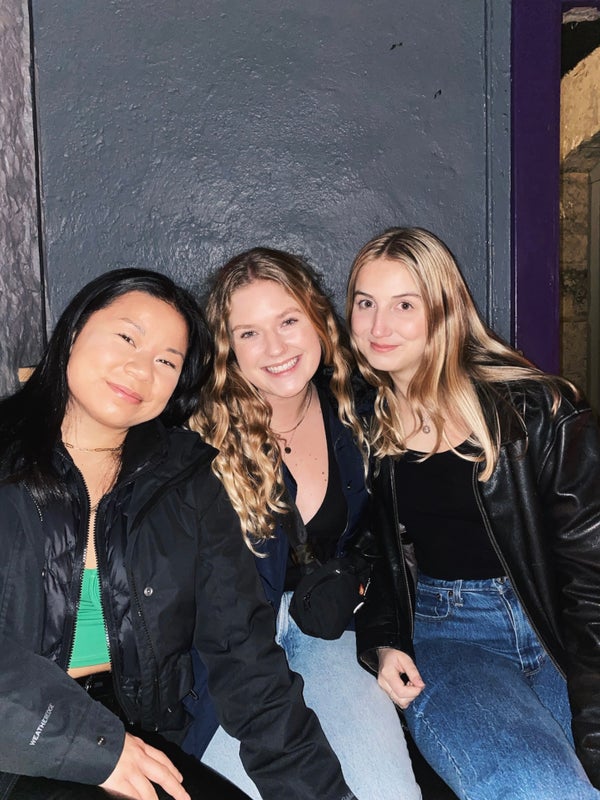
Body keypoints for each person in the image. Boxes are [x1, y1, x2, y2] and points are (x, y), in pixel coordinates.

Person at [0, 267, 359, 800]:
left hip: (139, 741)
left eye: (166, 361)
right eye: (127, 338)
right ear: (74, 331)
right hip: (22, 738)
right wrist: (90, 744)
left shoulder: (189, 481)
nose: (141, 369)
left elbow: (244, 659)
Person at [345, 226, 600, 800]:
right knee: (539, 788)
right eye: (365, 303)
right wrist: (382, 640)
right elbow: (369, 555)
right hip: (451, 635)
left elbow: (591, 578)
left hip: (559, 623)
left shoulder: (537, 410)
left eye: (404, 305)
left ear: (444, 311)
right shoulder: (357, 424)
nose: (379, 327)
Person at [187, 247, 421, 800]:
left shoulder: (359, 410)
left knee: (388, 793)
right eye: (249, 333)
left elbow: (385, 540)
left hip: (327, 629)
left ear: (317, 319)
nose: (275, 348)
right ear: (227, 348)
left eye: (288, 321)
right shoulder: (196, 436)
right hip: (227, 651)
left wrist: (384, 639)